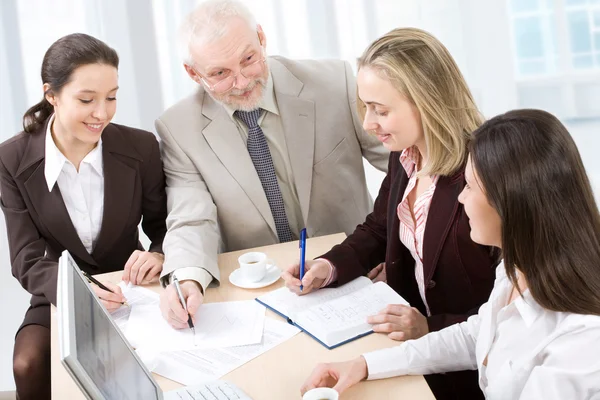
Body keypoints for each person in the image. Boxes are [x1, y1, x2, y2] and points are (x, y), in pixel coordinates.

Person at [301, 109, 600, 399]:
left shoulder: (581, 341)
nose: (460, 197)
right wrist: (365, 365)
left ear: (510, 202)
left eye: (469, 186)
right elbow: (477, 335)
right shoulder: (516, 266)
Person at [282, 28, 498, 399]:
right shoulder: (406, 155)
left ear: (427, 102)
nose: (367, 123)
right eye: (365, 107)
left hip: (471, 371)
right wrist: (328, 267)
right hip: (408, 354)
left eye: (380, 110)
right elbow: (380, 227)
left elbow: (516, 307)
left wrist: (431, 326)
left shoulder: (485, 175)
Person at [155, 0, 389, 331]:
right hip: (262, 296)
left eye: (248, 60)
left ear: (262, 38)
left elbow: (405, 167)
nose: (241, 82)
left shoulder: (336, 83)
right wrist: (187, 280)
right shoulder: (178, 128)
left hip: (355, 271)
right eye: (220, 73)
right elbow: (191, 219)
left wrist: (397, 251)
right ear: (193, 73)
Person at [0, 33, 168, 400]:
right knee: (28, 363)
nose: (103, 113)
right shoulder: (12, 159)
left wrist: (157, 254)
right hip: (62, 290)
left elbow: (164, 227)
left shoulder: (141, 148)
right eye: (87, 100)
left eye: (111, 97)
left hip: (135, 285)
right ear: (52, 95)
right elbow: (26, 259)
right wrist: (79, 290)